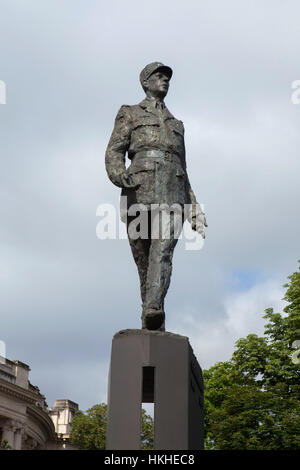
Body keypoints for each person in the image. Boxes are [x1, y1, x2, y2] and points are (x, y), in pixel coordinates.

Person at [105, 62, 207, 330]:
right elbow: (114, 151)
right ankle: (150, 315)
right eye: (159, 76)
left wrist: (194, 208)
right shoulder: (130, 113)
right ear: (146, 82)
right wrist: (118, 173)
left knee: (163, 252)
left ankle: (154, 307)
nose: (165, 80)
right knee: (144, 260)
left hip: (173, 191)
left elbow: (184, 168)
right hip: (138, 189)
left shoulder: (177, 124)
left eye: (167, 78)